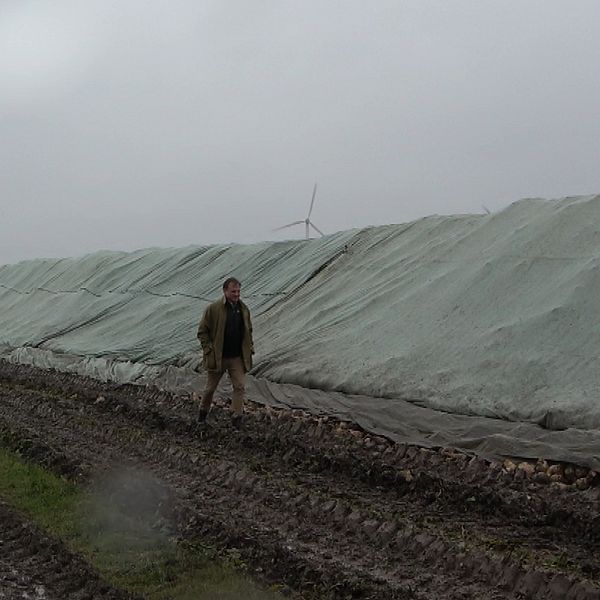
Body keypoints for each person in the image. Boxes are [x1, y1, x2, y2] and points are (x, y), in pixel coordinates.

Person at [196, 277, 254, 428]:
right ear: (225, 291)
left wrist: (249, 348)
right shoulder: (214, 309)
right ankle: (202, 414)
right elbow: (202, 332)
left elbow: (248, 331)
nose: (236, 294)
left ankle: (237, 418)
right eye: (233, 291)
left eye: (238, 291)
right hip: (218, 357)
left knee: (240, 386)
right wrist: (209, 349)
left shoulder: (243, 309)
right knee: (210, 389)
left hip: (236, 357)